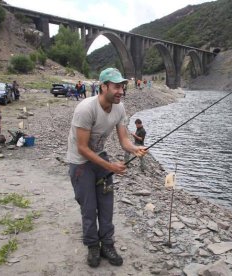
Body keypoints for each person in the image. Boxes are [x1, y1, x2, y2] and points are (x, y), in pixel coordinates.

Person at [66, 68, 147, 268]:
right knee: (88, 207)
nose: (121, 91)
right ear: (103, 87)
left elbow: (124, 141)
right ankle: (93, 246)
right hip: (80, 162)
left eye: (122, 86)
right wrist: (111, 165)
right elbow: (83, 149)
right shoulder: (86, 109)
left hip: (100, 158)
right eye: (117, 86)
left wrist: (134, 149)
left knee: (106, 205)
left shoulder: (119, 108)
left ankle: (108, 244)